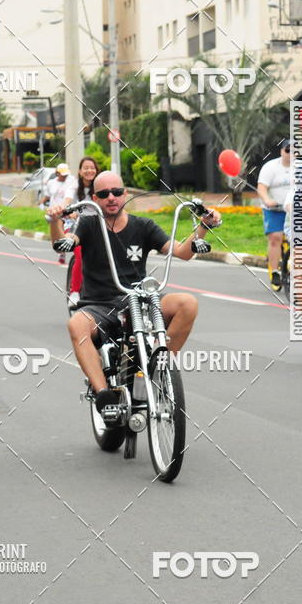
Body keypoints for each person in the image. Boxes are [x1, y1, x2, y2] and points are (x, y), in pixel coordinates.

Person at [47, 171, 221, 421]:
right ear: (95, 198)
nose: (111, 198)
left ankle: (160, 370)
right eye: (104, 194)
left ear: (125, 194)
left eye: (117, 192)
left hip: (139, 301)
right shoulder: (88, 224)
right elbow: (64, 241)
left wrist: (203, 227)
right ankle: (103, 394)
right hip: (99, 305)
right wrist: (54, 223)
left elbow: (182, 252)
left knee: (187, 303)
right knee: (76, 325)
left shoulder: (143, 226)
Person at [257, 140, 292, 289]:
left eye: (294, 150)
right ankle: (275, 271)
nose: (291, 154)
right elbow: (262, 188)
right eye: (288, 150)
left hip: (293, 210)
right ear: (281, 151)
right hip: (274, 209)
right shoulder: (270, 167)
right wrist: (267, 200)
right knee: (275, 237)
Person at [67, 156, 100, 306]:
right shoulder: (74, 188)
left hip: (99, 227)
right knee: (80, 257)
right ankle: (74, 292)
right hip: (77, 228)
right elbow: (67, 201)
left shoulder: (101, 188)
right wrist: (68, 210)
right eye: (86, 168)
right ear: (80, 171)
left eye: (92, 168)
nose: (89, 171)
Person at [40, 162, 76, 265]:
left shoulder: (70, 182)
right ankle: (62, 252)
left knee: (65, 231)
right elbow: (47, 195)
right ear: (57, 173)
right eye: (62, 174)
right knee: (58, 231)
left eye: (66, 174)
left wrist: (66, 209)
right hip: (54, 212)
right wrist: (41, 203)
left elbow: (69, 198)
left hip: (65, 212)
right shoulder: (51, 183)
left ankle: (65, 252)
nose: (64, 176)